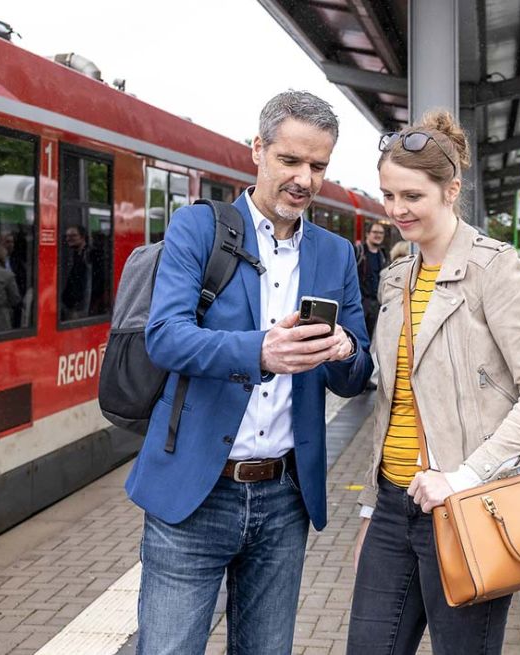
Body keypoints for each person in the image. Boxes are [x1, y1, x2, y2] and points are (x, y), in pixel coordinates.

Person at [125, 90, 373, 655]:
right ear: (257, 150)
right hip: (195, 491)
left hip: (285, 497)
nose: (305, 179)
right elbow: (165, 336)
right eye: (290, 160)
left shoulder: (335, 253)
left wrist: (342, 349)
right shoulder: (198, 229)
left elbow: (357, 375)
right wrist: (260, 351)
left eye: (318, 166)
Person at [347, 111, 520, 654]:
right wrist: (374, 507)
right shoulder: (398, 277)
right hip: (395, 506)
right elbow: (396, 401)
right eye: (387, 195)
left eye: (412, 196)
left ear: (451, 191)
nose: (396, 210)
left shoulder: (497, 271)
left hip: (468, 508)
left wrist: (465, 475)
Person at [354, 221, 390, 340]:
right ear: (367, 234)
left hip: (378, 305)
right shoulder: (358, 252)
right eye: (375, 232)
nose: (378, 235)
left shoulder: (383, 255)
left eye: (381, 233)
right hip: (362, 304)